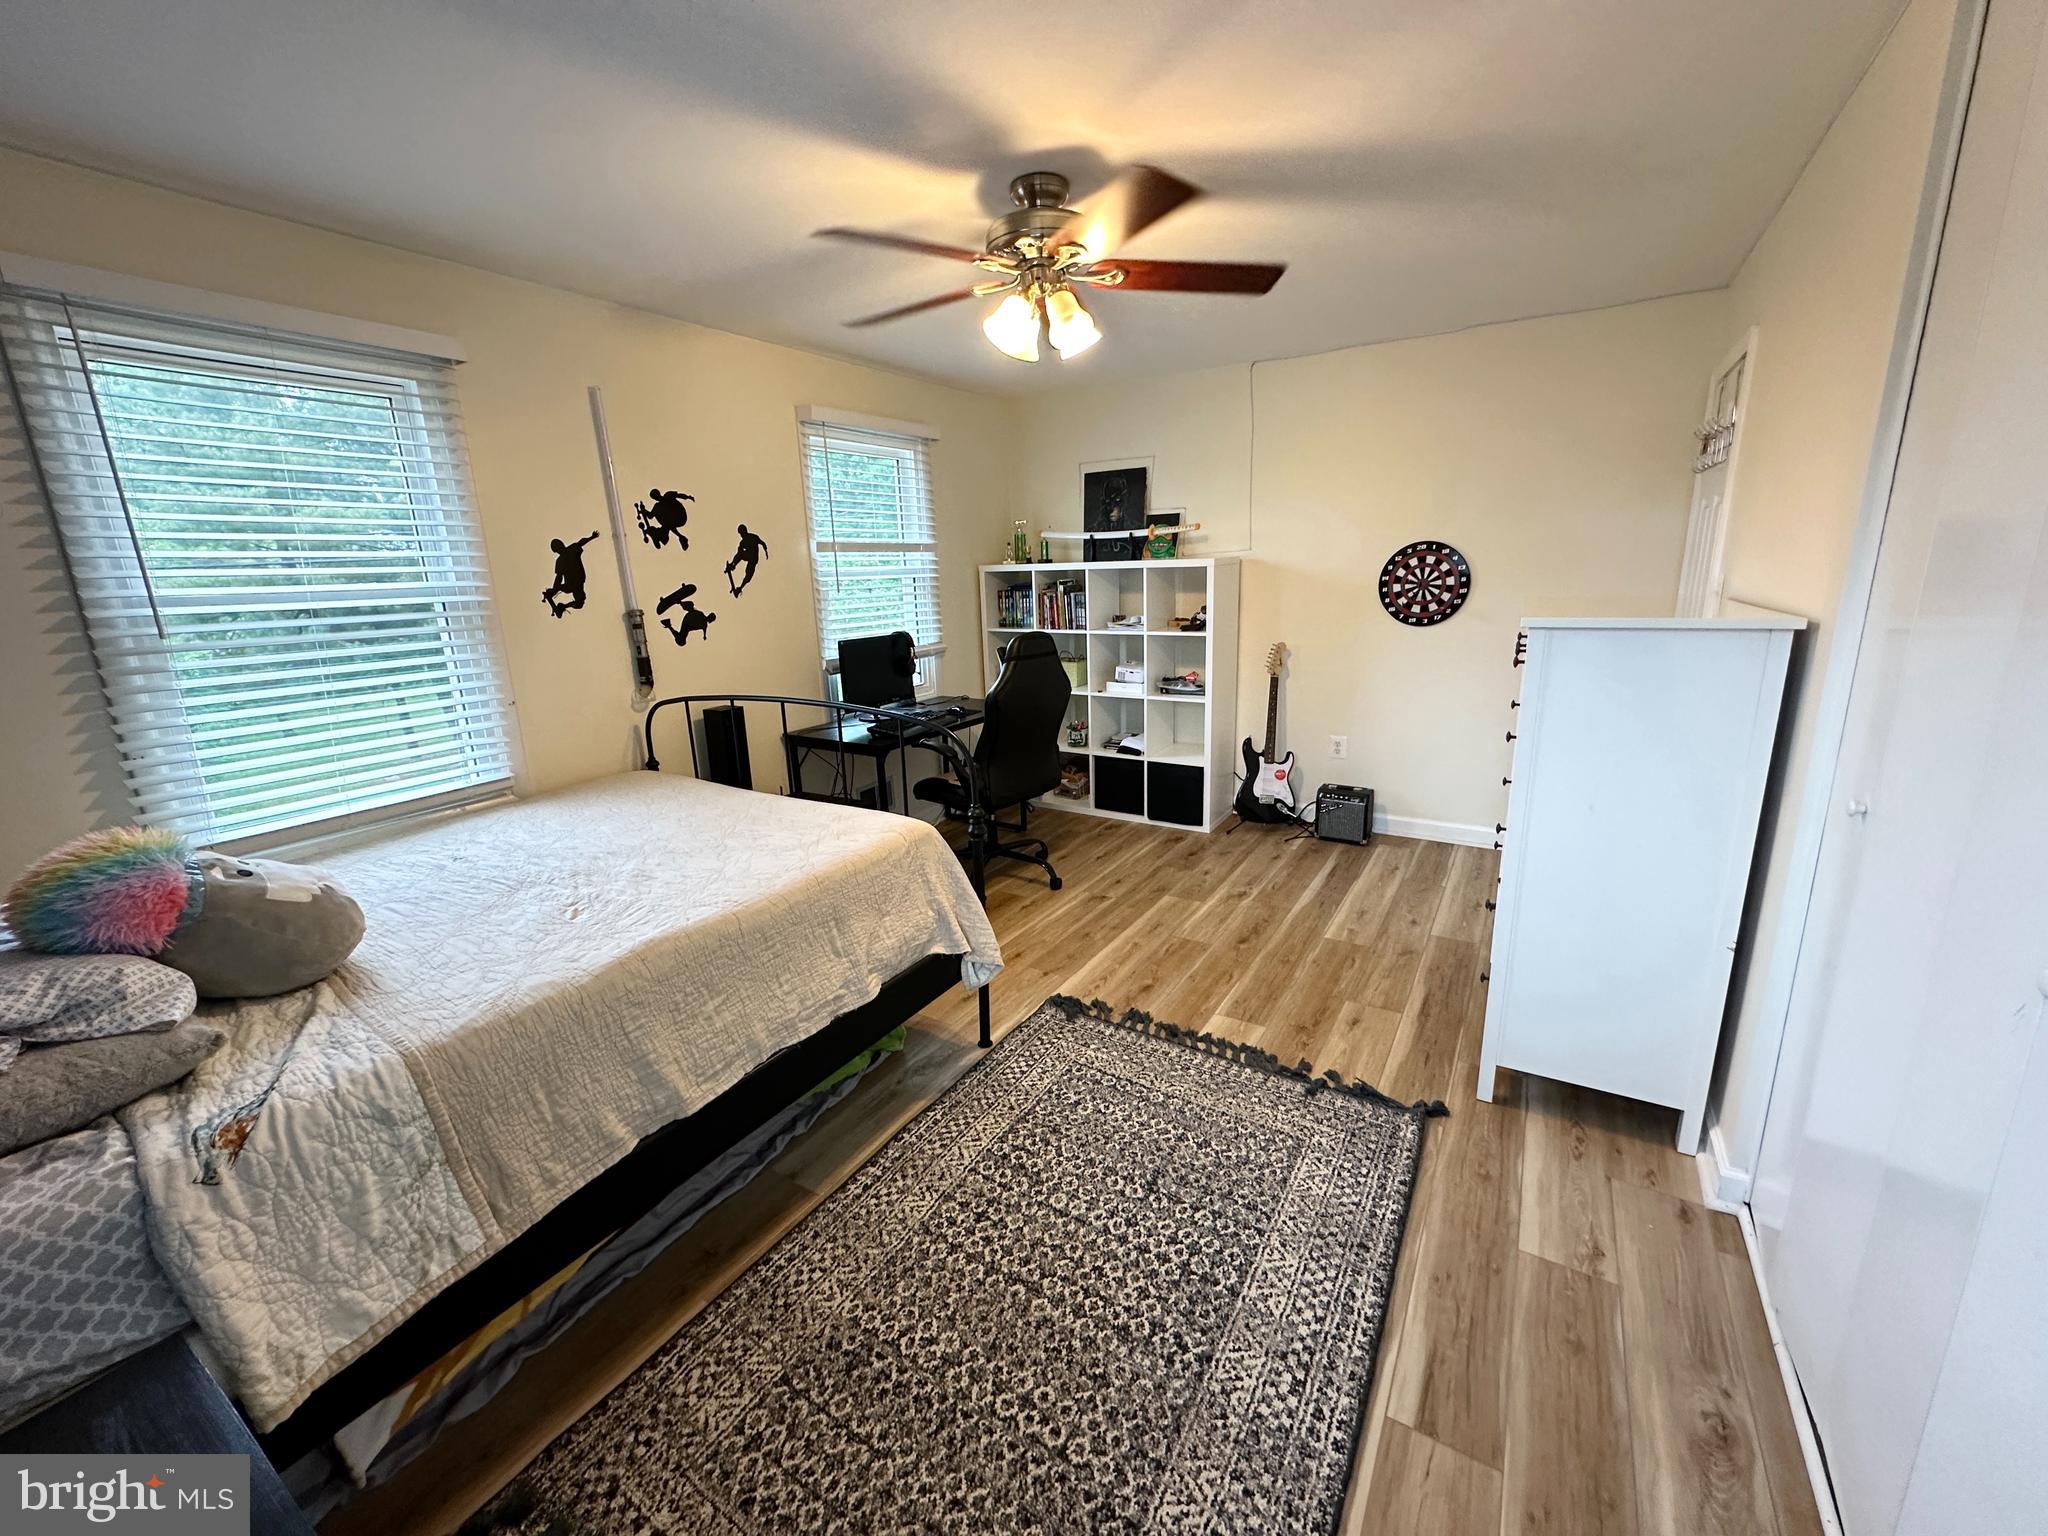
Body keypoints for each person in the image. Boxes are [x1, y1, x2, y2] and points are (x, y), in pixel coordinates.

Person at [542, 531, 599, 618]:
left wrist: (591, 537)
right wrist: (554, 589)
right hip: (571, 584)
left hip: (577, 582)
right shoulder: (561, 560)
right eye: (557, 548)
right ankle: (555, 598)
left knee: (579, 603)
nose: (559, 549)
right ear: (556, 551)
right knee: (579, 601)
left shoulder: (572, 549)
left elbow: (581, 542)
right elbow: (558, 577)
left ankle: (561, 606)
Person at [724, 524, 769, 597]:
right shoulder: (743, 542)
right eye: (740, 534)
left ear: (744, 532)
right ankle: (732, 566)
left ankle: (740, 588)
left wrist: (766, 551)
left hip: (753, 559)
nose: (741, 536)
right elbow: (738, 553)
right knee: (740, 554)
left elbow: (762, 543)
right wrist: (733, 563)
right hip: (750, 556)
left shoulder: (753, 537)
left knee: (748, 575)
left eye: (741, 534)